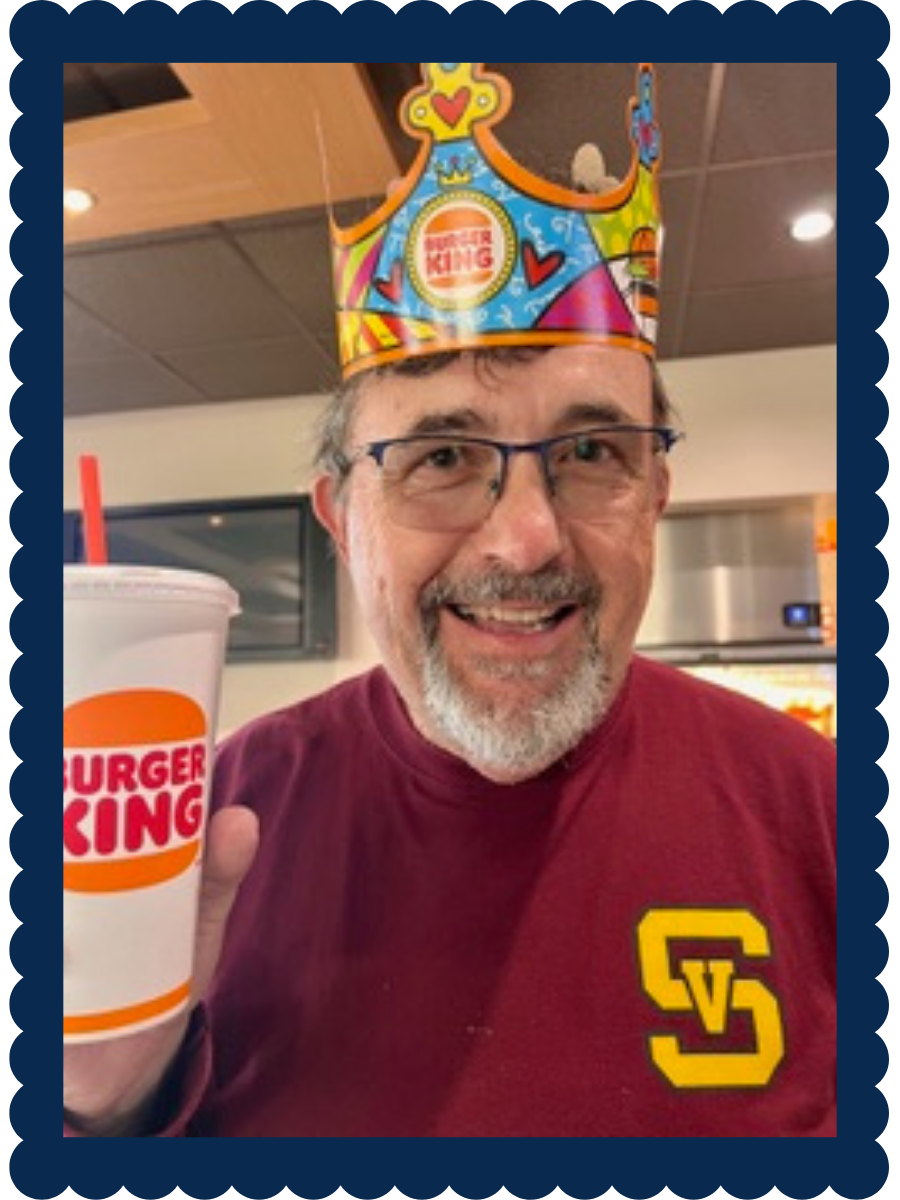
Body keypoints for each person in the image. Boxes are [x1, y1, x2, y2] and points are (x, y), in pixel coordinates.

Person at [63, 62, 835, 1138]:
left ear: (655, 491)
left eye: (594, 449)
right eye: (440, 455)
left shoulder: (828, 813)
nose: (526, 538)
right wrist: (109, 1109)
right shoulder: (209, 831)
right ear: (341, 514)